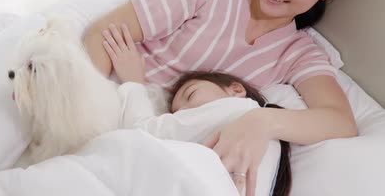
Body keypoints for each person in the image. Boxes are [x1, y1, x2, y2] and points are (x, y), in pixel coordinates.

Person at [84, 0, 358, 196]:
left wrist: (262, 121)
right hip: (109, 103)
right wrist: (88, 119)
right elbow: (106, 31)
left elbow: (339, 120)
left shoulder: (296, 52)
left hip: (160, 150)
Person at [103, 26, 291, 196]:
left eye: (191, 94)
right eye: (175, 114)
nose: (183, 112)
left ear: (235, 90)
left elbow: (144, 132)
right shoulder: (272, 140)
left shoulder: (239, 109)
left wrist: (134, 82)